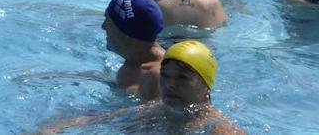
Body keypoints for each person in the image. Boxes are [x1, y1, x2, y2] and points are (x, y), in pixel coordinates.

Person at [34, 40, 245, 134]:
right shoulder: (154, 112)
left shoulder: (218, 129)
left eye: (182, 77)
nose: (169, 84)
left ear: (206, 85)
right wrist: (50, 129)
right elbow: (92, 119)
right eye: (165, 75)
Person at [101, 0, 165, 99]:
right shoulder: (135, 61)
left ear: (124, 33)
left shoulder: (159, 76)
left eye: (107, 20)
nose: (103, 26)